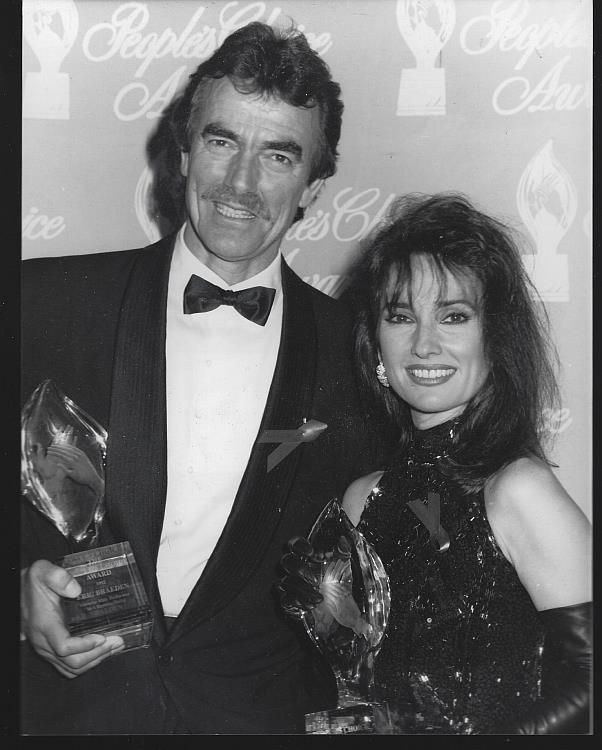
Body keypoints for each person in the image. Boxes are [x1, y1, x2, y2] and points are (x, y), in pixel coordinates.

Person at [20, 21, 381, 734]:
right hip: (66, 714)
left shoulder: (359, 355)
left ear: (315, 185)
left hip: (258, 718)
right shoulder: (40, 306)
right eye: (222, 141)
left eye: (279, 155)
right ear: (182, 152)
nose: (241, 184)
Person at [278, 193, 592, 734]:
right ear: (375, 343)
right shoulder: (362, 500)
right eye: (401, 316)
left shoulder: (518, 490)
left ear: (495, 336)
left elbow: (589, 689)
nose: (424, 344)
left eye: (453, 316)